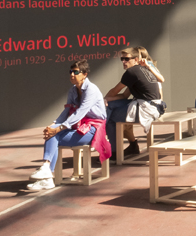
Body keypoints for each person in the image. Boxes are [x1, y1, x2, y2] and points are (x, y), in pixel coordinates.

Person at [27, 60, 108, 190]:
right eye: (70, 72)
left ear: (85, 74)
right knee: (52, 132)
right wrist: (53, 125)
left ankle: (47, 174)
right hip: (79, 127)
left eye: (76, 72)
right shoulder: (72, 91)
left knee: (54, 135)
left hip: (94, 130)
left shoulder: (91, 89)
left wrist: (59, 128)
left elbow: (81, 112)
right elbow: (66, 111)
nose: (72, 75)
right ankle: (46, 172)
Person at [104, 49, 164, 156]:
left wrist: (104, 99)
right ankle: (120, 147)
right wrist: (106, 100)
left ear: (136, 59)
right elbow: (124, 95)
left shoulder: (131, 72)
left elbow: (115, 91)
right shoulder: (142, 70)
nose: (123, 61)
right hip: (155, 107)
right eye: (122, 59)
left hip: (147, 109)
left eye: (127, 59)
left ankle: (113, 153)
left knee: (112, 118)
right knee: (111, 105)